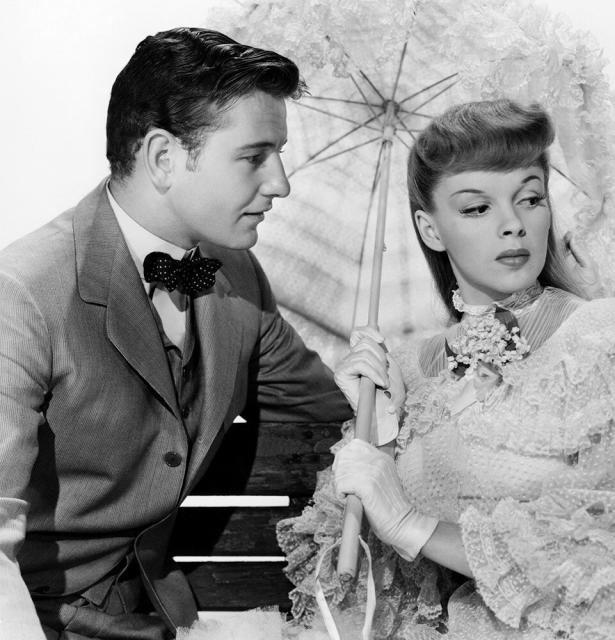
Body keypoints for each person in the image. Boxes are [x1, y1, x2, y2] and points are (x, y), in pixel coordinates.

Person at [272, 99, 615, 640]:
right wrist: (383, 432)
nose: (514, 226)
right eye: (477, 209)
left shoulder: (600, 342)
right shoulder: (407, 369)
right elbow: (365, 589)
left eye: (530, 199)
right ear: (431, 229)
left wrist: (415, 526)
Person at [0, 27, 352, 640]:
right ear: (163, 157)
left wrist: (397, 374)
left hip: (168, 617)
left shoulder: (235, 274)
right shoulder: (21, 293)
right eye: (254, 156)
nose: (281, 184)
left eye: (281, 155)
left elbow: (331, 412)